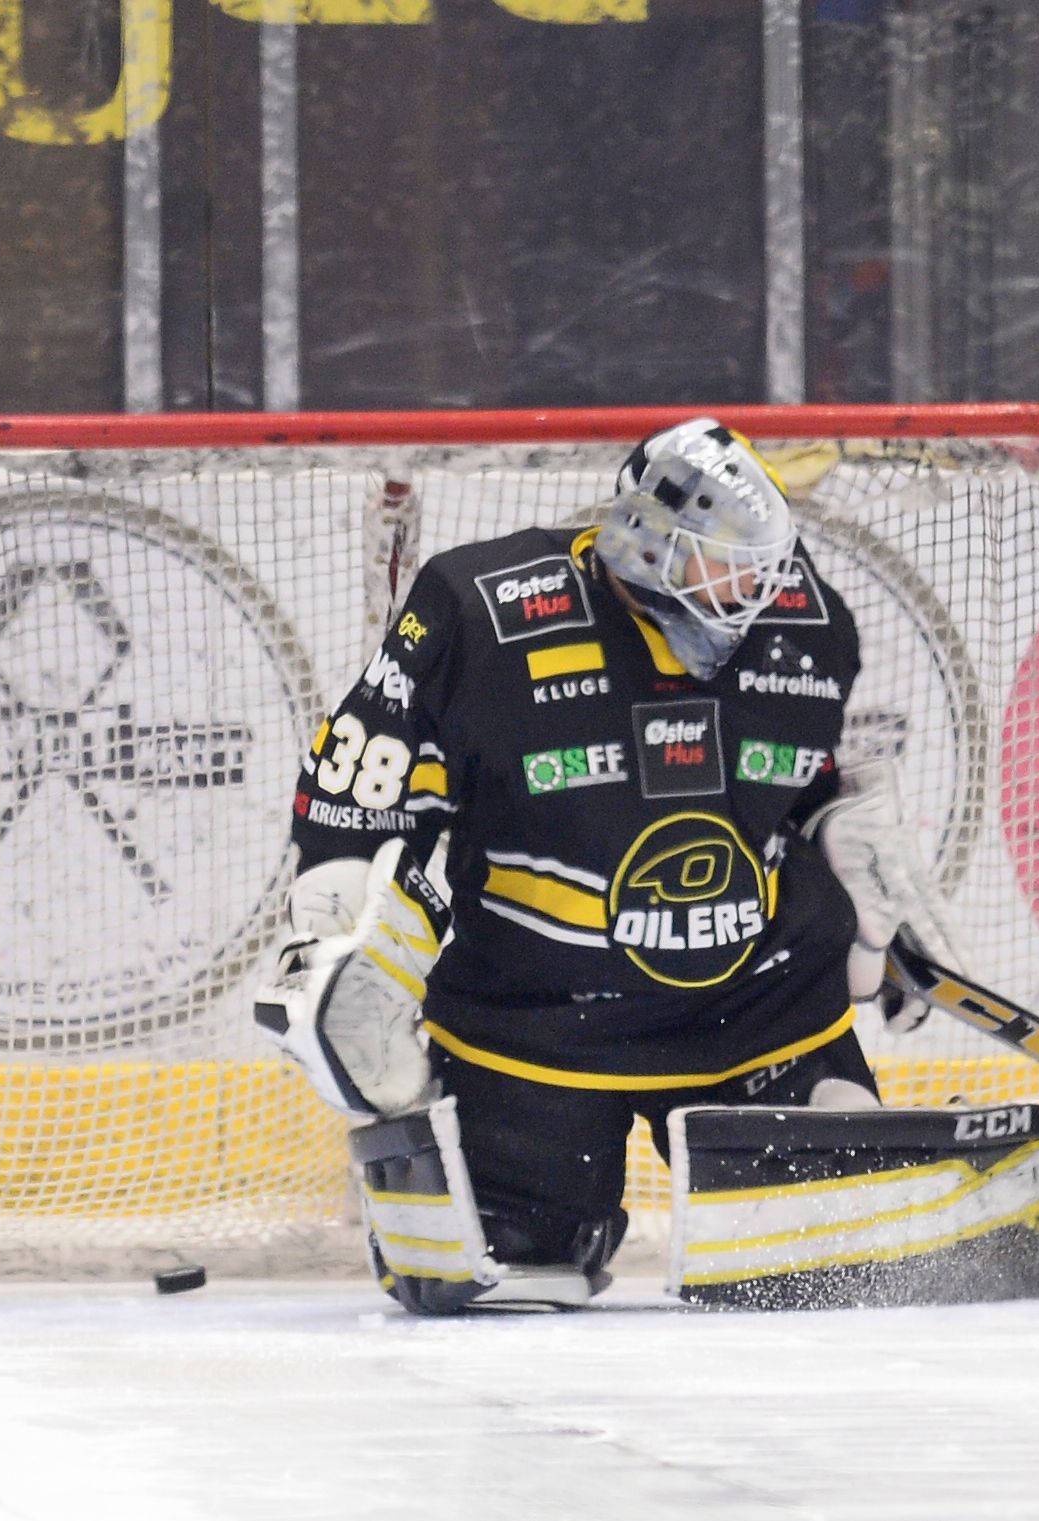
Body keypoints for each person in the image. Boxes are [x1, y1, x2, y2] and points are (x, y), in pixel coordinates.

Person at [252, 418, 955, 1315]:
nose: (753, 591)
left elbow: (794, 790)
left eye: (762, 567)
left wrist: (858, 884)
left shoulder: (807, 626)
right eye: (725, 564)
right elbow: (355, 793)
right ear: (646, 542)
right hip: (534, 1026)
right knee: (498, 1271)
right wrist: (339, 940)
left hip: (754, 1012)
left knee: (834, 1260)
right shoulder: (479, 611)